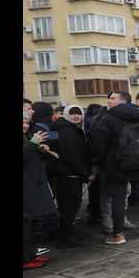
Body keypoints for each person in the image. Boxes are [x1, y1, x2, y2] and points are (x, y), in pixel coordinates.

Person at [90, 91, 139, 245]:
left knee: (118, 200)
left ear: (122, 101)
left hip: (115, 166)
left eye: (112, 98)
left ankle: (118, 234)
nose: (108, 101)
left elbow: (99, 144)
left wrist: (101, 163)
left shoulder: (107, 118)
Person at [50, 104, 94, 248]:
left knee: (71, 208)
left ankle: (70, 234)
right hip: (69, 175)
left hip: (71, 175)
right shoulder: (67, 131)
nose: (76, 116)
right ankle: (67, 238)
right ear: (67, 115)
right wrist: (87, 173)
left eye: (79, 113)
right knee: (69, 209)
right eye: (73, 113)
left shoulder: (72, 129)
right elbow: (71, 156)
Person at [24, 112, 56, 270]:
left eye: (26, 122)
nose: (25, 125)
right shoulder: (28, 139)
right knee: (25, 224)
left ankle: (31, 254)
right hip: (26, 186)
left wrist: (38, 148)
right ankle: (25, 258)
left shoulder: (26, 136)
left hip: (33, 183)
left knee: (33, 221)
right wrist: (32, 144)